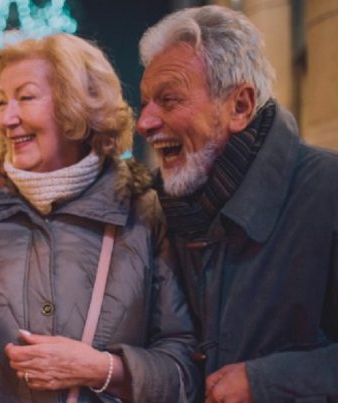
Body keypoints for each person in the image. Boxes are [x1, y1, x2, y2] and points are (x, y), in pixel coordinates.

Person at [0, 33, 198, 403]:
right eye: (0, 102)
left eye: (26, 98)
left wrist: (101, 369)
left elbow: (186, 368)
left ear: (77, 104)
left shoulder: (144, 213)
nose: (6, 118)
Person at [136, 6, 338, 402]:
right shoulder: (168, 207)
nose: (144, 122)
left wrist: (267, 382)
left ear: (240, 107)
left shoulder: (328, 190)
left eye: (169, 99)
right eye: (146, 102)